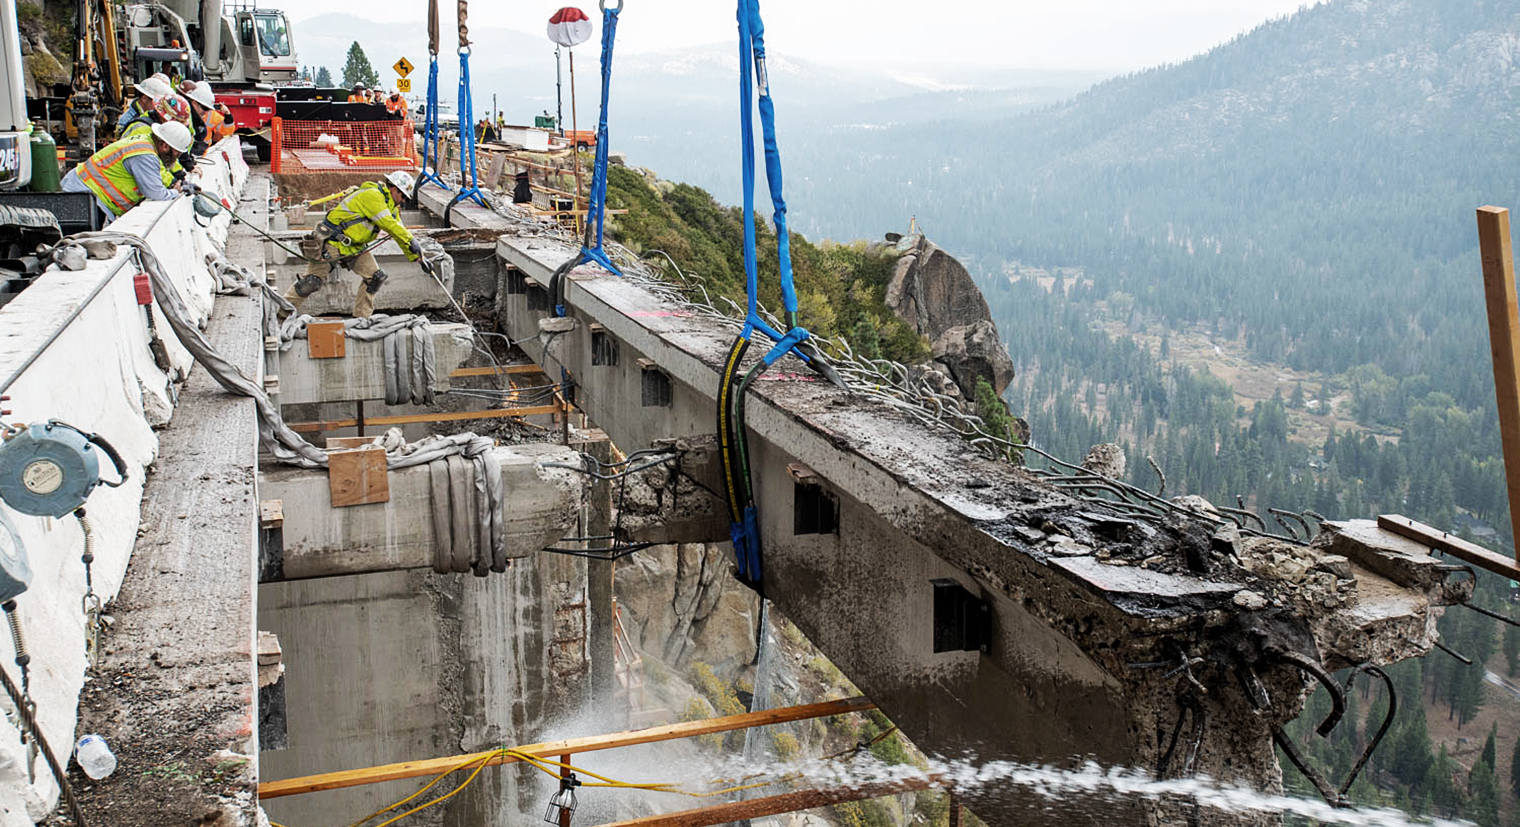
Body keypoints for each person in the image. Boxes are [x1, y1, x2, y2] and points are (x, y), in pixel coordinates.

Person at [284, 171, 431, 318]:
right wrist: (412, 240)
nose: (404, 200)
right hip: (333, 241)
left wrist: (419, 257)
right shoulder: (373, 196)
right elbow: (390, 225)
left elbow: (400, 232)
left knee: (375, 277)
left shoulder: (392, 208)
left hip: (354, 246)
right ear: (394, 188)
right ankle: (280, 314)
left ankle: (361, 319)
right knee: (310, 282)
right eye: (403, 196)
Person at [61, 122, 193, 226]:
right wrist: (176, 191)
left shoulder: (146, 144)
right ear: (165, 146)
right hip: (84, 197)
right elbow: (156, 193)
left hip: (85, 193)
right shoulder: (145, 155)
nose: (176, 158)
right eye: (177, 153)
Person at [177, 79, 218, 154]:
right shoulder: (183, 118)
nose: (206, 112)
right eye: (205, 108)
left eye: (208, 109)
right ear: (194, 103)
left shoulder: (195, 120)